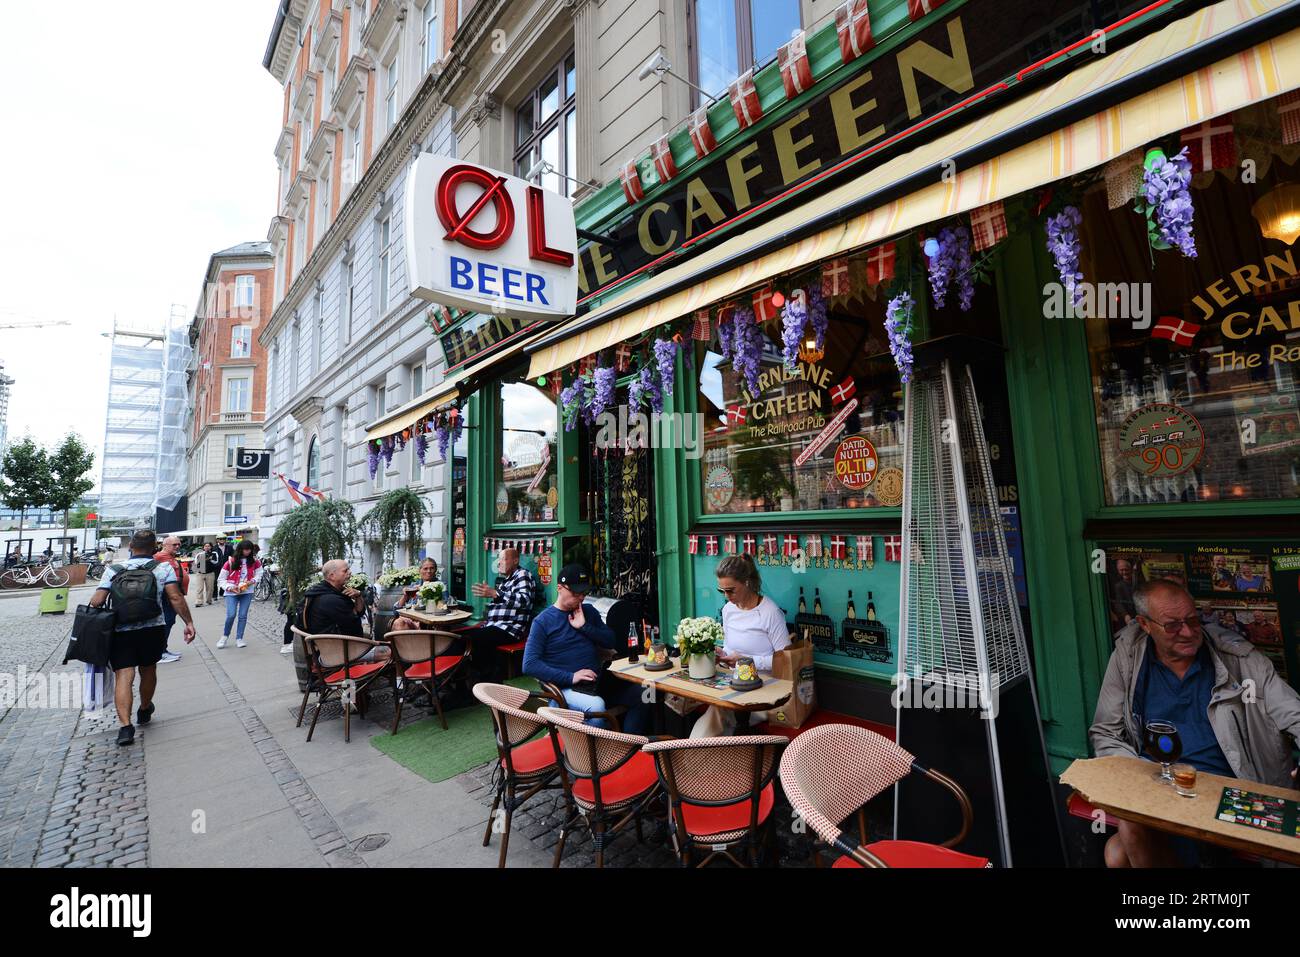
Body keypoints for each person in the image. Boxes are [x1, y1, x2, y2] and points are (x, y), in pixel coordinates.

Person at [1090, 579, 1300, 867]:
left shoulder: (1239, 659)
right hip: (1162, 788)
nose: (1188, 632)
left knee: (1117, 854)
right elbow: (1105, 731)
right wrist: (1140, 777)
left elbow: (1295, 712)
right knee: (1124, 836)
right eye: (1173, 625)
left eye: (1192, 620)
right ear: (1145, 624)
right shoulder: (1128, 658)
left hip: (1229, 793)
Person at [88, 529, 196, 747]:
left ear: (131, 547)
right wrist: (189, 623)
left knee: (124, 676)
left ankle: (125, 727)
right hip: (152, 628)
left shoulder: (113, 569)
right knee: (148, 670)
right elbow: (175, 597)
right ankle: (145, 708)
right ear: (154, 548)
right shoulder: (162, 568)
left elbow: (97, 601)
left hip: (121, 631)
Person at [522, 563, 649, 733]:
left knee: (647, 694)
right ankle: (589, 755)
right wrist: (571, 676)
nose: (580, 597)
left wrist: (584, 626)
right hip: (566, 687)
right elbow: (529, 664)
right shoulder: (542, 622)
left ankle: (629, 747)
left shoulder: (588, 611)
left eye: (584, 592)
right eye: (576, 593)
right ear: (560, 588)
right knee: (597, 705)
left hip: (597, 682)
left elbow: (611, 641)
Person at [690, 554, 791, 738]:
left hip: (764, 689)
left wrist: (747, 661)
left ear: (746, 582)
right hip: (734, 683)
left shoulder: (770, 612)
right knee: (715, 706)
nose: (727, 597)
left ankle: (690, 757)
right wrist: (723, 653)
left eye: (731, 590)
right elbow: (730, 647)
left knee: (717, 712)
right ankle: (694, 757)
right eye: (722, 591)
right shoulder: (729, 610)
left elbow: (785, 662)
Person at [460, 548, 535, 680]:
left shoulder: (522, 575)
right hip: (495, 626)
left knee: (467, 640)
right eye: (498, 559)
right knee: (460, 638)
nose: (498, 563)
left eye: (502, 559)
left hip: (510, 629)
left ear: (515, 560)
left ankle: (478, 681)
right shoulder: (506, 580)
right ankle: (468, 680)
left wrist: (495, 593)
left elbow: (524, 600)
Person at [217, 540, 262, 648]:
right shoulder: (230, 562)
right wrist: (230, 588)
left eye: (250, 549)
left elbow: (259, 574)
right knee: (231, 615)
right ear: (240, 549)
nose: (247, 551)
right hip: (232, 592)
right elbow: (221, 580)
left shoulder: (255, 561)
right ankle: (224, 636)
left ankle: (239, 638)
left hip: (247, 592)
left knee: (242, 616)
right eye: (246, 549)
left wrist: (252, 581)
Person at [153, 535, 190, 663]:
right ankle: (160, 652)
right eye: (174, 544)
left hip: (173, 596)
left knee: (169, 622)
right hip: (166, 596)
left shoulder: (170, 557)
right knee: (166, 623)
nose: (177, 546)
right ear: (165, 545)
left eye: (179, 544)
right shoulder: (159, 557)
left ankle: (164, 649)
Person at [389, 557, 442, 633]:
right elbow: (395, 611)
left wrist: (424, 591)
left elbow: (443, 605)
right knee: (398, 623)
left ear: (435, 570)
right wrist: (405, 596)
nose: (429, 571)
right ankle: (403, 644)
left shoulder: (440, 585)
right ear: (420, 571)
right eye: (425, 568)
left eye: (432, 568)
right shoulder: (414, 585)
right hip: (411, 621)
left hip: (429, 623)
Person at [192, 542, 220, 606]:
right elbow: (196, 562)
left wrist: (210, 559)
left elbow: (216, 562)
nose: (207, 547)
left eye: (208, 546)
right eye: (205, 546)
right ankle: (199, 602)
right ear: (203, 547)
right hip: (200, 573)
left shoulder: (214, 553)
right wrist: (204, 559)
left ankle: (209, 600)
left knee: (210, 588)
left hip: (210, 573)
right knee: (199, 588)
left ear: (211, 547)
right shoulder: (199, 554)